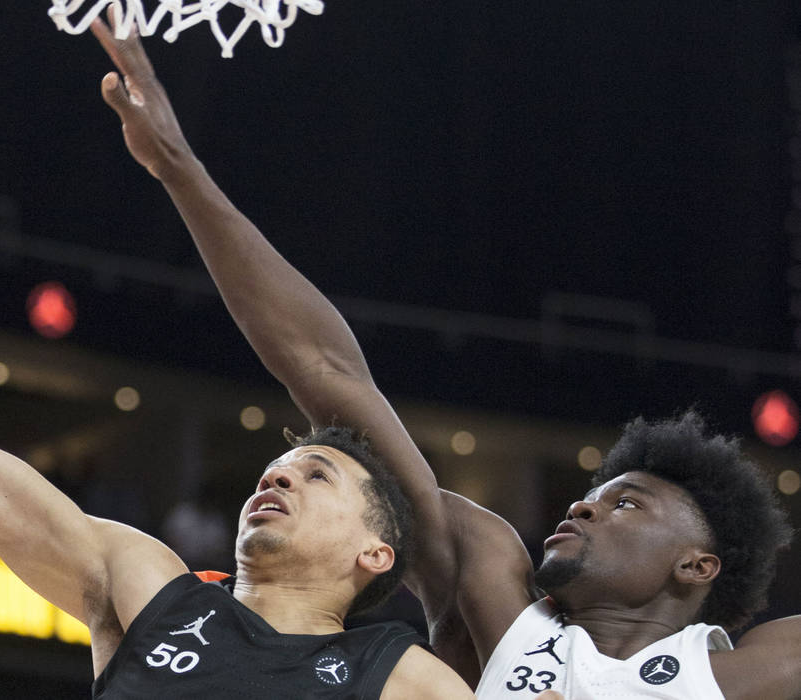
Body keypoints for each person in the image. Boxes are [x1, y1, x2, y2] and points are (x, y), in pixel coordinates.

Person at [90, 14, 799, 700]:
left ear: (696, 565)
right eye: (596, 492)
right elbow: (329, 371)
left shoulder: (743, 679)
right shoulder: (492, 592)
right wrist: (178, 168)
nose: (584, 504)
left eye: (626, 503)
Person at [0, 99, 475, 696]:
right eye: (282, 468)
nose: (278, 474)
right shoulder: (148, 588)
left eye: (316, 475)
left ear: (375, 552)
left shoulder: (400, 677)